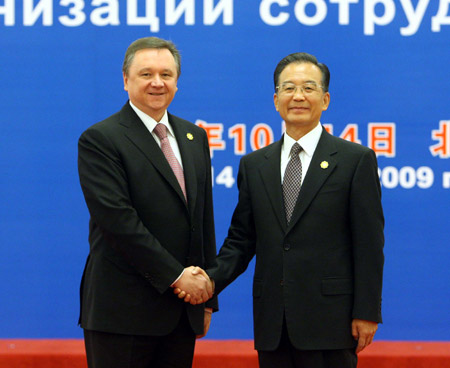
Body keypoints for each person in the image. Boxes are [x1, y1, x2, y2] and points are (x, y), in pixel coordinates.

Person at [177, 52, 384, 368]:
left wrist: (367, 311)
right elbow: (241, 242)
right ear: (276, 100)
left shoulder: (355, 160)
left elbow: (369, 244)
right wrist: (208, 282)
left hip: (332, 322)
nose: (298, 96)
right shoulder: (254, 164)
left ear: (325, 99)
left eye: (309, 88)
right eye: (289, 88)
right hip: (273, 323)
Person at [77, 36, 217, 368]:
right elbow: (119, 222)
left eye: (166, 74)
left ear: (177, 82)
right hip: (122, 313)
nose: (157, 83)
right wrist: (177, 277)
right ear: (126, 80)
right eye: (146, 74)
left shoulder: (193, 137)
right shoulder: (101, 139)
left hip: (181, 313)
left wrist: (209, 297)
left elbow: (201, 220)